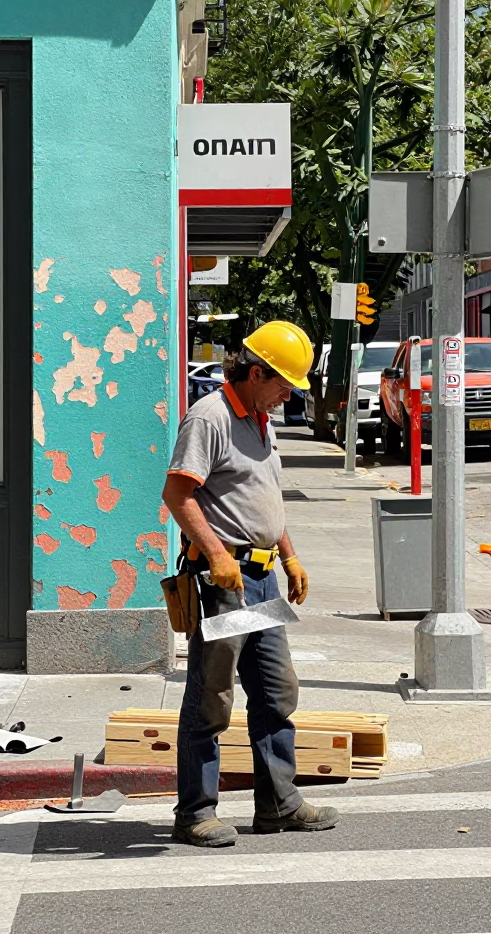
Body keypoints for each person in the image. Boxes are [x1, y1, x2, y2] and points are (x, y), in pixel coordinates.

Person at [162, 321, 340, 848]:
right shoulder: (210, 418)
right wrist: (216, 553)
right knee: (212, 697)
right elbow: (177, 495)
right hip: (227, 581)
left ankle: (279, 804)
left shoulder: (261, 419)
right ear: (255, 372)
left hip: (262, 580)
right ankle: (195, 811)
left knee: (275, 692)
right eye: (284, 382)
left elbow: (263, 496)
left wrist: (290, 555)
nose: (289, 393)